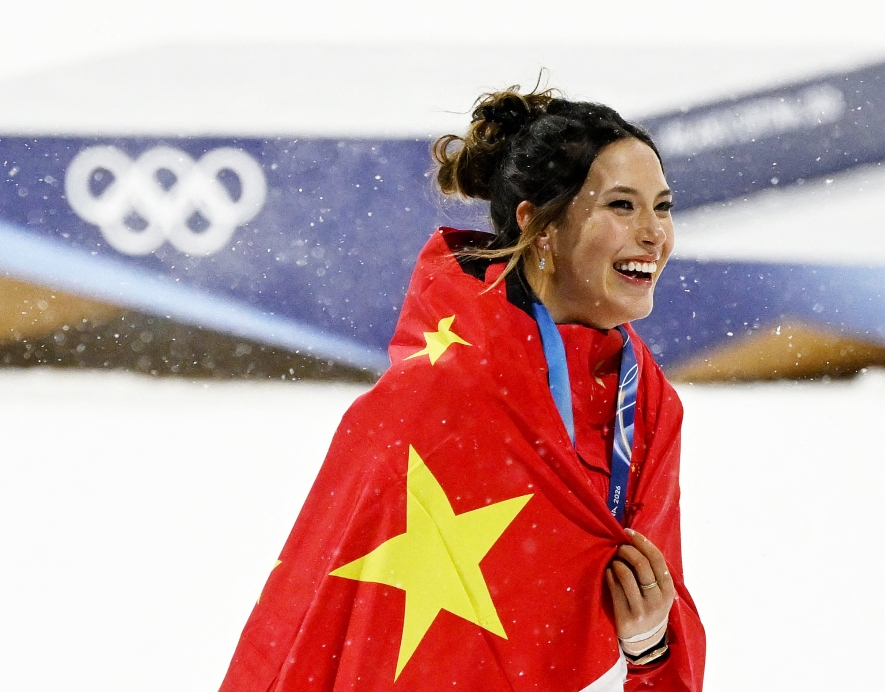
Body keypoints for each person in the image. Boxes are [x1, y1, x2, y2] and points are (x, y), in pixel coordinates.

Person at [220, 86, 706, 692]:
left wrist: (650, 647)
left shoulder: (646, 402)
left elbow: (656, 622)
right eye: (622, 206)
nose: (654, 233)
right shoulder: (437, 392)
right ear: (540, 225)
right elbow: (327, 628)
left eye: (663, 206)